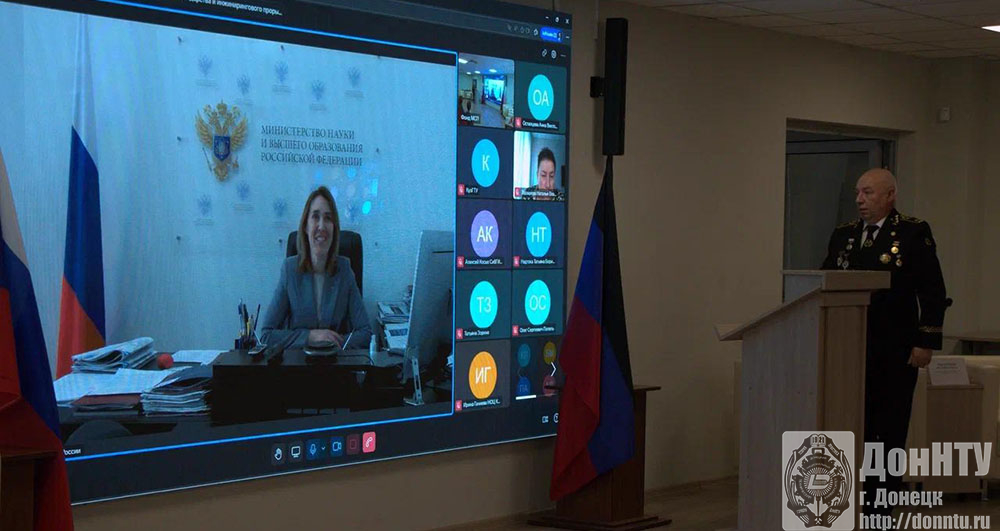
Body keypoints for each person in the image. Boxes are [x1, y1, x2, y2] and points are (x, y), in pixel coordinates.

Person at [821, 168, 948, 513]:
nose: (860, 200)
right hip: (847, 350)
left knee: (887, 432)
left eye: (868, 193)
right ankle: (843, 504)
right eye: (858, 193)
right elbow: (824, 284)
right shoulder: (844, 235)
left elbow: (933, 292)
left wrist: (925, 341)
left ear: (890, 195)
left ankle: (879, 510)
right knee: (850, 428)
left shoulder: (911, 232)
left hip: (895, 350)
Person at [261, 186, 371, 349]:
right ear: (305, 226)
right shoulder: (290, 270)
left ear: (334, 228)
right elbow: (266, 335)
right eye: (315, 217)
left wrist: (331, 343)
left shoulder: (345, 270)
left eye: (328, 218)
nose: (321, 226)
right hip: (299, 362)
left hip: (336, 361)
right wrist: (309, 337)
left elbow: (365, 333)